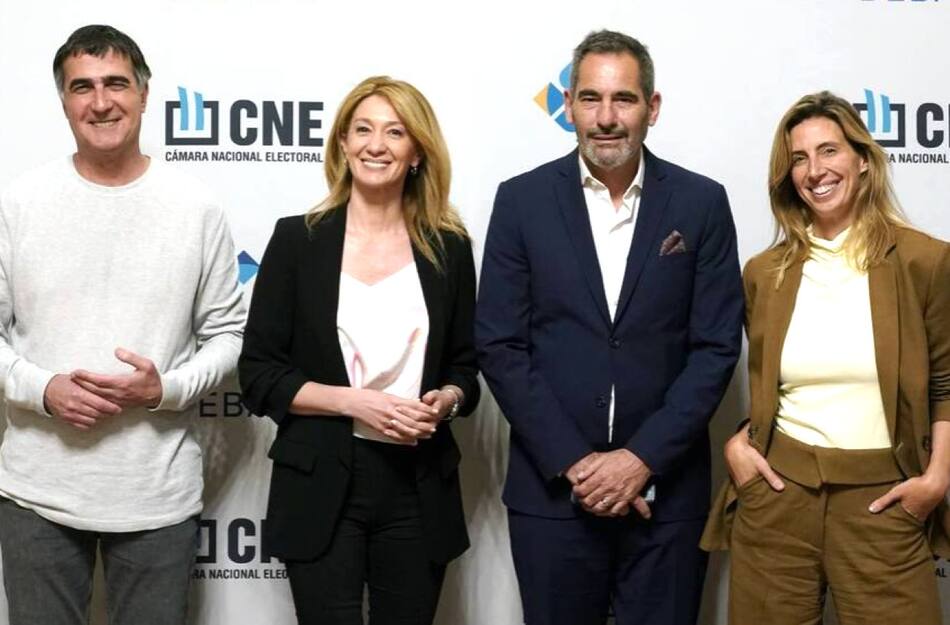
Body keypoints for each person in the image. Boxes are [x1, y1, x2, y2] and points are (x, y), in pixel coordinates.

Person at [475, 29, 743, 625]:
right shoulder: (521, 201)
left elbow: (716, 347)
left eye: (623, 99)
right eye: (590, 99)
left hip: (667, 496)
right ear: (567, 106)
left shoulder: (701, 204)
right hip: (552, 496)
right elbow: (500, 343)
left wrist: (640, 459)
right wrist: (578, 462)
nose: (605, 118)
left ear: (652, 107)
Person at [0, 24, 245, 625]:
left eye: (116, 83)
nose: (101, 101)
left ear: (143, 93)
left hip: (157, 498)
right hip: (38, 495)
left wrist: (167, 389)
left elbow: (228, 334)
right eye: (82, 87)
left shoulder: (196, 208)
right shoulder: (18, 204)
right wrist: (43, 390)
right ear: (63, 101)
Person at [701, 91, 950, 625]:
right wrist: (738, 445)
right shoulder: (765, 273)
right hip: (777, 499)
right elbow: (763, 382)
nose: (816, 170)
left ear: (863, 159)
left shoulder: (924, 260)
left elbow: (945, 385)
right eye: (799, 158)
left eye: (830, 151)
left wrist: (936, 480)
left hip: (885, 500)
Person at [239, 75, 479, 625]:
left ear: (417, 151)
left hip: (418, 489)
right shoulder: (297, 240)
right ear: (342, 144)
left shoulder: (450, 247)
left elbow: (467, 365)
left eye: (396, 132)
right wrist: (355, 403)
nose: (377, 144)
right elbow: (258, 374)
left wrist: (446, 398)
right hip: (322, 484)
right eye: (363, 129)